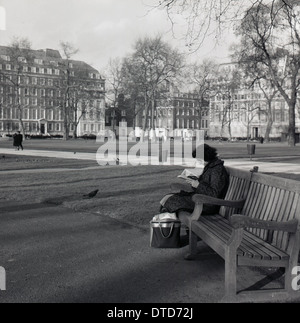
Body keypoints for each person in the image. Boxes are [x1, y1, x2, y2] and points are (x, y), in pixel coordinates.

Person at [160, 144, 229, 216]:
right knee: (169, 197)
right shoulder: (211, 166)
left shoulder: (217, 170)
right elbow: (206, 185)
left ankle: (165, 223)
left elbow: (214, 194)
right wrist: (194, 182)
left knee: (173, 200)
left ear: (206, 157)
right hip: (202, 199)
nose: (198, 162)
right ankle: (165, 223)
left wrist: (198, 185)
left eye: (199, 160)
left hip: (207, 204)